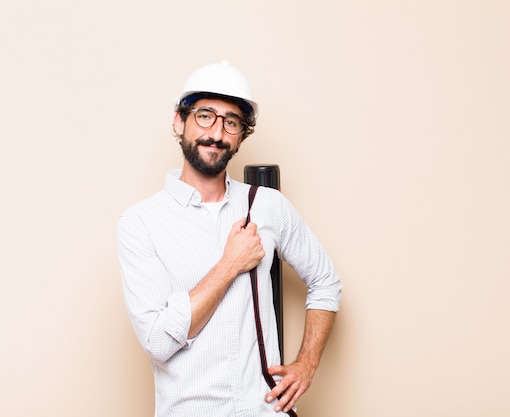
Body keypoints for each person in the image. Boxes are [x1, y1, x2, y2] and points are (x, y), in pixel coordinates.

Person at [117, 61, 342, 417]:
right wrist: (229, 265)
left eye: (231, 122)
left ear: (240, 135)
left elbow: (325, 281)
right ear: (180, 121)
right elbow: (158, 341)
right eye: (205, 115)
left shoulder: (267, 206)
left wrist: (306, 364)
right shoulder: (141, 223)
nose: (217, 133)